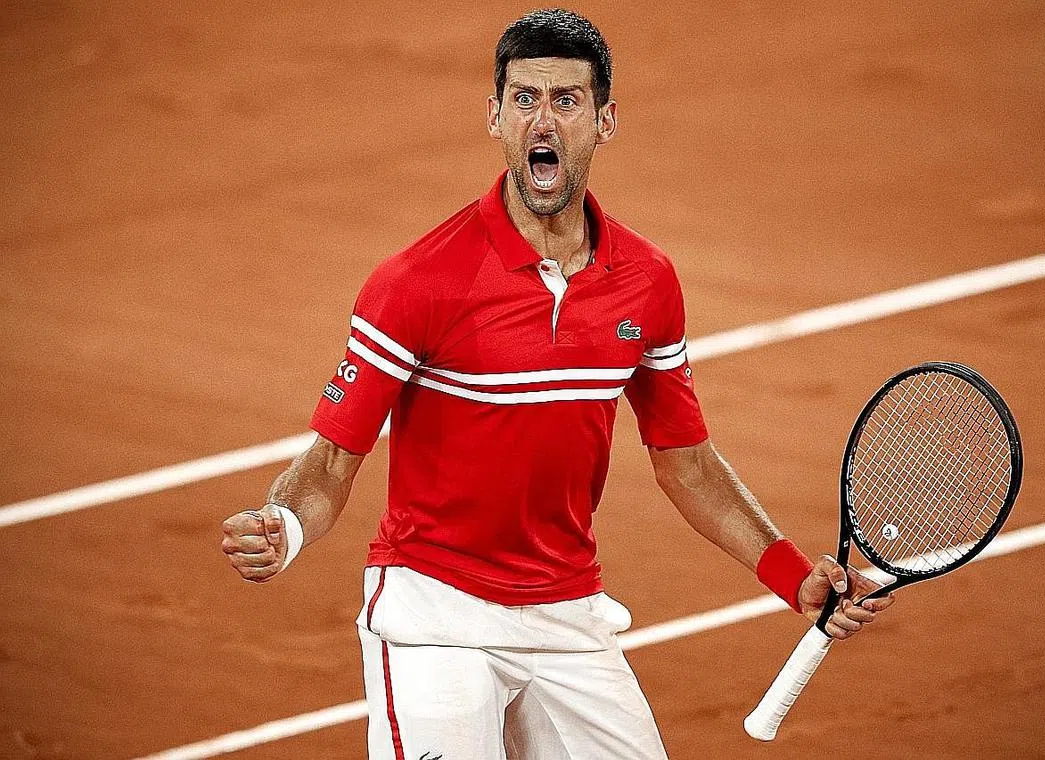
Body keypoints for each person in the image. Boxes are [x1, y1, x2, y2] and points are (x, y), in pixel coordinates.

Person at [220, 9, 894, 759]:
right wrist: (283, 525)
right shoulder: (417, 283)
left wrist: (793, 575)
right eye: (524, 99)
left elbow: (688, 464)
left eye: (566, 100)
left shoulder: (646, 281)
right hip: (433, 617)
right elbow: (330, 464)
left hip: (567, 613)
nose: (543, 120)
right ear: (496, 117)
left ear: (605, 121)